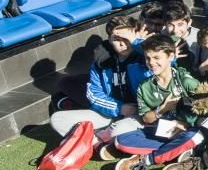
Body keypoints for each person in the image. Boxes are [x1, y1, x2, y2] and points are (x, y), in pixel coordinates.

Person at [111, 35, 206, 170]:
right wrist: (162, 109)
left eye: (157, 58)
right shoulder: (144, 86)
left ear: (170, 56)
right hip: (161, 132)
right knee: (120, 140)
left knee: (196, 136)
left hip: (187, 131)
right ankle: (176, 152)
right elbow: (147, 119)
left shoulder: (186, 81)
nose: (151, 62)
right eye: (148, 58)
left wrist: (185, 124)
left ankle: (147, 159)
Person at [49, 15, 147, 143]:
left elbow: (168, 61)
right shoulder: (102, 61)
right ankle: (99, 141)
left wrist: (137, 42)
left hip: (139, 115)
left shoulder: (145, 55)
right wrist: (119, 108)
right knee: (57, 119)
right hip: (110, 114)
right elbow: (94, 94)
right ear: (110, 40)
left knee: (119, 129)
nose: (123, 43)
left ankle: (95, 140)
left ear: (134, 35)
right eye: (117, 39)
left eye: (126, 38)